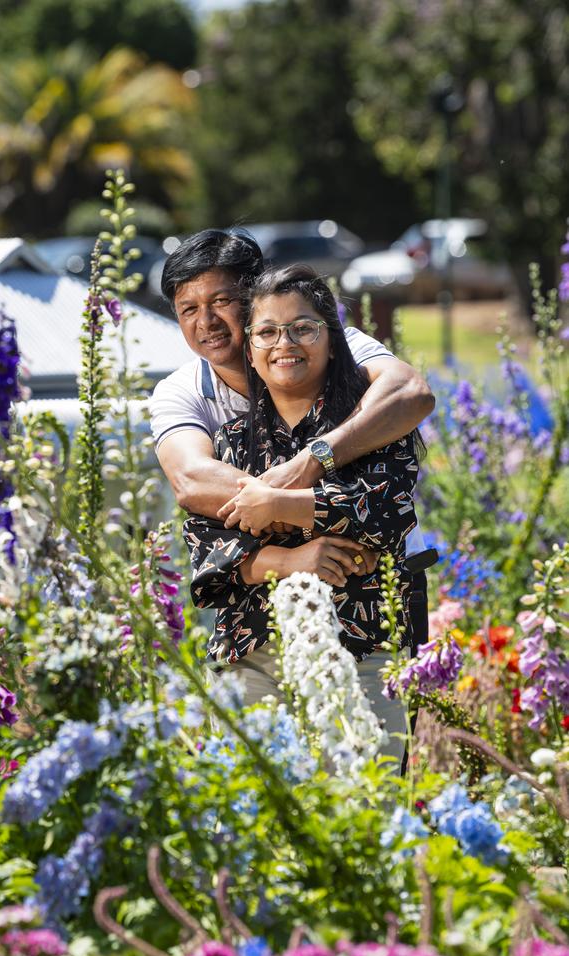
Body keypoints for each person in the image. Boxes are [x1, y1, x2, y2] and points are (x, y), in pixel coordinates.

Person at [149, 229, 435, 652]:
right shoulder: (182, 391)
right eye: (188, 308)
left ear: (254, 298)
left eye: (221, 302)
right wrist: (294, 537)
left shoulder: (322, 340)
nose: (205, 322)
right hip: (261, 619)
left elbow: (411, 395)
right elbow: (193, 483)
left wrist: (311, 462)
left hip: (376, 598)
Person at [182, 264, 421, 762]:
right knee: (251, 826)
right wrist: (290, 560)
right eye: (267, 331)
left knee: (363, 821)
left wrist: (276, 504)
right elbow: (207, 562)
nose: (284, 343)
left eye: (303, 328)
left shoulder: (368, 426)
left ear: (332, 341)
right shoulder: (226, 443)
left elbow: (384, 514)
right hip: (252, 658)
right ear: (249, 349)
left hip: (361, 653)